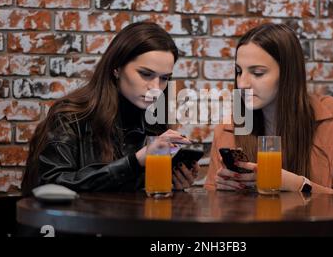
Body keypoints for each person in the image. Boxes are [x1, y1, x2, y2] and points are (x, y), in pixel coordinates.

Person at [21, 22, 199, 196]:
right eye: (145, 74)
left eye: (164, 78)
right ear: (117, 69)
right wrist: (136, 162)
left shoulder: (155, 123)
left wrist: (172, 185)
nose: (155, 87)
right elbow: (48, 185)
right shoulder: (70, 116)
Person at [205, 23, 333, 196]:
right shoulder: (227, 130)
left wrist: (297, 185)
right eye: (239, 72)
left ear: (288, 74)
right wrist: (222, 193)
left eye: (258, 73)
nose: (242, 83)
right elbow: (211, 205)